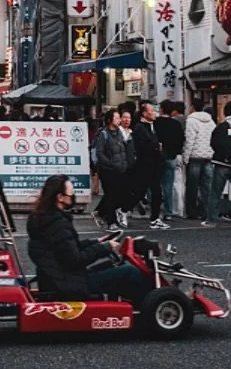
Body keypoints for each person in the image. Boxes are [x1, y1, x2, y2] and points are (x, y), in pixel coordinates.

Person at [26, 174, 150, 306]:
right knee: (130, 272)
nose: (73, 196)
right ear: (60, 198)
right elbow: (75, 260)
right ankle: (147, 308)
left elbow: (66, 248)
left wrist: (96, 242)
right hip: (68, 284)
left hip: (61, 277)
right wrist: (104, 248)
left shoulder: (45, 218)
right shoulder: (56, 223)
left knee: (113, 265)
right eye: (71, 194)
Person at [91, 109, 131, 229]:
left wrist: (124, 164)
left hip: (120, 168)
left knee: (119, 194)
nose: (119, 120)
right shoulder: (103, 134)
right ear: (109, 120)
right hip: (107, 170)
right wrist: (111, 164)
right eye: (117, 118)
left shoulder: (119, 132)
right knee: (111, 195)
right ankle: (111, 222)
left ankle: (100, 212)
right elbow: (99, 153)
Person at [133, 102, 168, 231]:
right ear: (144, 113)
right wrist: (155, 147)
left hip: (154, 164)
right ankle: (122, 209)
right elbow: (141, 147)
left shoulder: (152, 126)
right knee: (139, 191)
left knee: (156, 192)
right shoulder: (139, 128)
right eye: (152, 111)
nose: (154, 113)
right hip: (145, 165)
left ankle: (155, 218)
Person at [182, 98, 216, 225]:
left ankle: (192, 212)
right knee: (207, 186)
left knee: (192, 186)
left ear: (192, 107)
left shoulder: (191, 120)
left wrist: (185, 157)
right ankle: (206, 211)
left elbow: (189, 140)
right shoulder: (211, 121)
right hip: (208, 156)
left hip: (195, 156)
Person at [210, 103, 231, 222]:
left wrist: (224, 155)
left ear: (225, 113)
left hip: (222, 163)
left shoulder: (221, 127)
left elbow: (214, 143)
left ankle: (212, 217)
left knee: (216, 191)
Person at [156, 101, 186, 219]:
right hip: (172, 157)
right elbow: (181, 141)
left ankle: (155, 210)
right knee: (168, 185)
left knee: (155, 185)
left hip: (157, 157)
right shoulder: (176, 124)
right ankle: (168, 212)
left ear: (162, 109)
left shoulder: (156, 123)